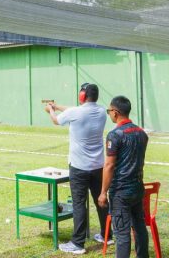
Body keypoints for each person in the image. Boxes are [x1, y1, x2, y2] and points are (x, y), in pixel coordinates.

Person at [45, 83, 111, 254]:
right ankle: (107, 234)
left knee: (79, 204)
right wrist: (57, 106)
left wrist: (50, 110)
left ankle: (78, 243)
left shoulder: (76, 112)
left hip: (79, 167)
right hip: (98, 166)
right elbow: (74, 110)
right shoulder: (102, 111)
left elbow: (56, 120)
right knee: (101, 200)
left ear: (82, 96)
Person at [97, 96, 149, 258]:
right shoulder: (141, 133)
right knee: (139, 227)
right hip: (137, 188)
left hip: (121, 191)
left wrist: (103, 192)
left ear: (116, 112)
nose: (109, 114)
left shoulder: (115, 135)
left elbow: (109, 165)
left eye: (109, 111)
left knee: (121, 233)